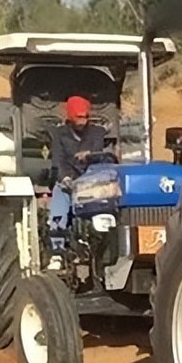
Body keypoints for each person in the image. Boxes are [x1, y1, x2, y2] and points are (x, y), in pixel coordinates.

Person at [47, 95, 107, 267]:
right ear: (70, 117)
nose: (82, 121)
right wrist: (65, 178)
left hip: (92, 180)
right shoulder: (59, 134)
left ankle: (102, 245)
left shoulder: (97, 132)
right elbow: (58, 159)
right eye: (78, 117)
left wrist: (89, 155)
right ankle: (57, 250)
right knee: (60, 199)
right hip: (69, 180)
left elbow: (99, 154)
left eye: (85, 117)